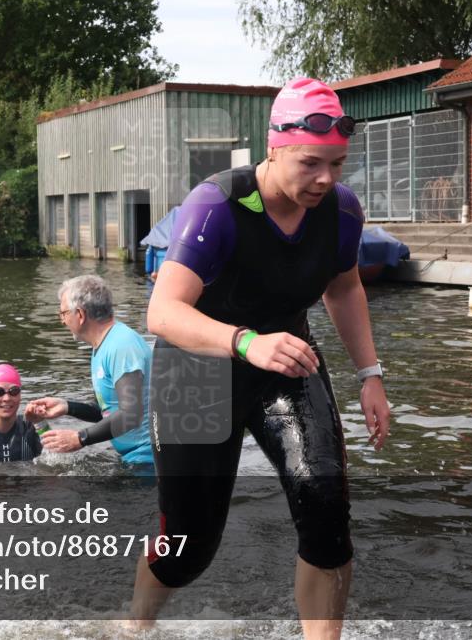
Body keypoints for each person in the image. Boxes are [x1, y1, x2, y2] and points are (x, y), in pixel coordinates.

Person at [127, 77, 391, 638]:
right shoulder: (217, 204)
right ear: (274, 147)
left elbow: (343, 288)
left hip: (287, 359)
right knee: (188, 549)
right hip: (195, 371)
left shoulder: (341, 211)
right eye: (310, 163)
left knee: (326, 511)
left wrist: (370, 376)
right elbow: (163, 313)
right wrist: (247, 341)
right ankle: (136, 626)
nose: (326, 179)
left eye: (338, 165)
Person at [26, 275, 153, 467]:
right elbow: (108, 410)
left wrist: (80, 438)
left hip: (150, 459)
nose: (62, 321)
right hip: (133, 457)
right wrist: (67, 407)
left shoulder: (122, 345)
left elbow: (130, 414)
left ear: (80, 314)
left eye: (63, 313)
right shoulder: (102, 346)